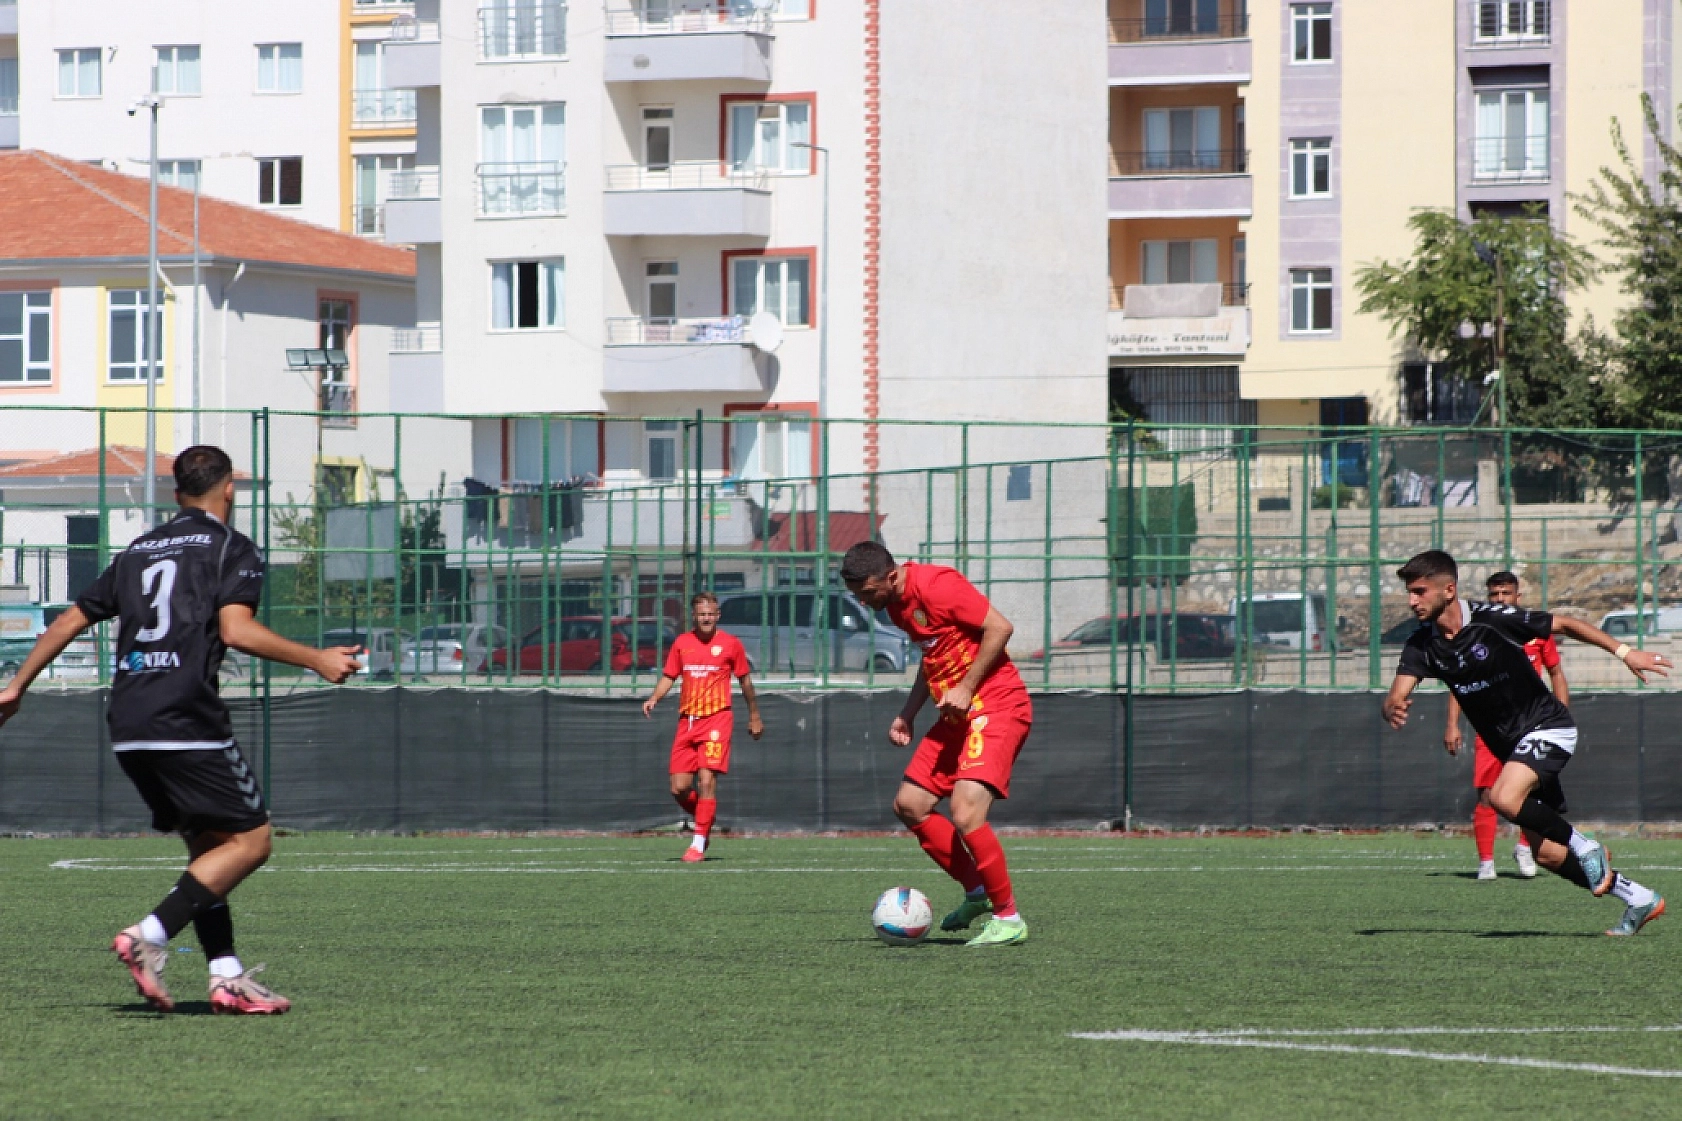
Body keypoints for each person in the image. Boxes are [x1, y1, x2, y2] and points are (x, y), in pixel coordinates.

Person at [0, 446, 361, 1013]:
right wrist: (316, 658)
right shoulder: (231, 547)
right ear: (228, 490)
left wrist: (17, 686)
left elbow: (71, 618)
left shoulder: (139, 549)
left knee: (209, 850)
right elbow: (236, 631)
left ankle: (225, 975)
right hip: (185, 715)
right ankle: (150, 934)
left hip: (129, 720)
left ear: (177, 494)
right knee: (253, 842)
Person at [1383, 550, 1669, 936]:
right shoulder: (1422, 645)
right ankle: (1638, 897)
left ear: (1448, 590)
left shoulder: (1492, 620)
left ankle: (1585, 846)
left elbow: (1564, 623)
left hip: (1548, 727)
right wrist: (1392, 706)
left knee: (1502, 797)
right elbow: (1397, 693)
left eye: (1419, 591)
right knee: (1546, 854)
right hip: (1514, 751)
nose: (1411, 601)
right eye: (1409, 592)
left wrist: (1625, 652)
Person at [841, 541, 1032, 947]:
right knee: (910, 804)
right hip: (955, 715)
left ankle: (1009, 917)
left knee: (965, 811)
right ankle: (978, 892)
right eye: (856, 595)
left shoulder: (938, 585)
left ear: (891, 576)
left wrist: (966, 687)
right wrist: (908, 713)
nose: (863, 602)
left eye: (867, 592)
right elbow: (933, 660)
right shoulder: (895, 606)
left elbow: (1001, 628)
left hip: (996, 705)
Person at [1444, 571, 1568, 881]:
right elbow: (1460, 681)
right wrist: (1452, 723)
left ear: (1517, 597)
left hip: (1532, 725)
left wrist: (1561, 712)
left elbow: (1556, 673)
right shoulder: (1479, 631)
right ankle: (1486, 861)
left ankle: (1526, 847)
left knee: (1530, 793)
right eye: (1494, 595)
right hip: (1492, 726)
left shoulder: (1535, 630)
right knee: (1487, 795)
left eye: (1506, 594)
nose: (1500, 599)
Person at [642, 592, 762, 862]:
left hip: (717, 719)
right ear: (693, 617)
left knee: (707, 780)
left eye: (711, 614)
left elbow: (745, 682)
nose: (706, 618)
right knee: (679, 788)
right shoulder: (682, 643)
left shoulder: (731, 644)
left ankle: (698, 843)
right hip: (688, 721)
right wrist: (654, 698)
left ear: (718, 615)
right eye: (702, 614)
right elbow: (669, 676)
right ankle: (705, 816)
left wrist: (754, 715)